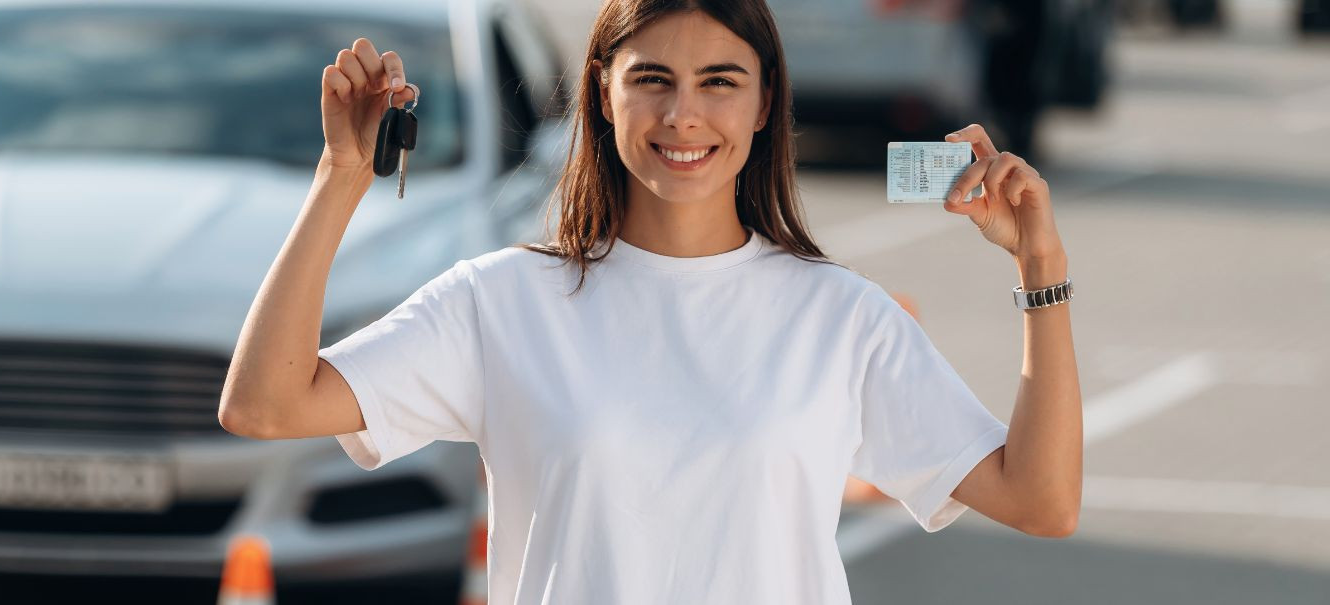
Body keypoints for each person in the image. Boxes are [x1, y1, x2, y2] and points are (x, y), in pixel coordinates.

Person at [219, 0, 1082, 602]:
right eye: (653, 79)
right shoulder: (503, 300)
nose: (682, 115)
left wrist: (1038, 265)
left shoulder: (842, 318)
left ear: (763, 101)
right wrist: (341, 178)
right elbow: (264, 404)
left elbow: (1041, 501)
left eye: (718, 81)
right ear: (604, 90)